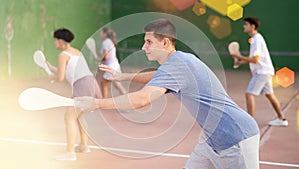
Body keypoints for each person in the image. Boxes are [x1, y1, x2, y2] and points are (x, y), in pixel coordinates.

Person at [76, 19, 260, 169]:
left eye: (149, 42)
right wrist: (123, 76)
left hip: (235, 137)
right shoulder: (179, 60)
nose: (143, 47)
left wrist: (96, 103)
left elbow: (141, 99)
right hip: (210, 138)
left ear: (164, 42)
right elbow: (158, 75)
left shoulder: (178, 65)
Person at [46, 28, 102, 160]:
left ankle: (70, 152)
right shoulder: (77, 52)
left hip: (81, 85)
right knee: (79, 115)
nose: (55, 43)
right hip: (91, 83)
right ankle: (84, 145)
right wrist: (49, 67)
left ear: (60, 41)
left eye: (55, 40)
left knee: (69, 117)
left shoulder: (62, 55)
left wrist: (51, 77)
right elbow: (65, 71)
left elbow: (60, 78)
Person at [230, 17, 288, 127]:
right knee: (270, 95)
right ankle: (282, 118)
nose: (244, 26)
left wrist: (238, 56)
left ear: (252, 26)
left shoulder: (256, 40)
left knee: (249, 94)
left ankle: (250, 123)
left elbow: (255, 60)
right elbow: (255, 58)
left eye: (246, 24)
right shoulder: (256, 39)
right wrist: (240, 62)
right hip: (266, 71)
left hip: (262, 72)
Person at [95, 27, 126, 98]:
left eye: (101, 33)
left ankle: (104, 101)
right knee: (117, 84)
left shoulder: (105, 42)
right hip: (115, 65)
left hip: (111, 66)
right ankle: (127, 98)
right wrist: (98, 54)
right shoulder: (109, 42)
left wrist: (99, 60)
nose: (100, 34)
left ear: (105, 34)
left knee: (104, 84)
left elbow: (106, 57)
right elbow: (106, 54)